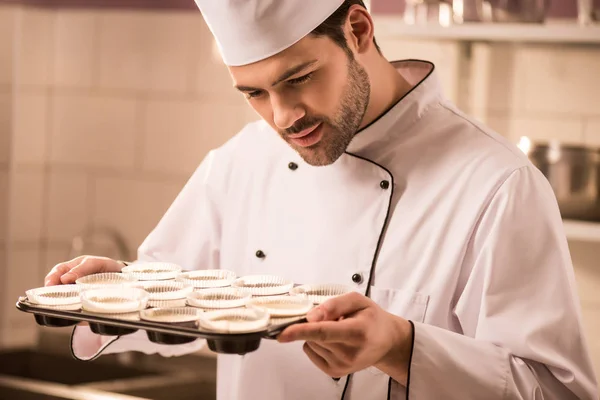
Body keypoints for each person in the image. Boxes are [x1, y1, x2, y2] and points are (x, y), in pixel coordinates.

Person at [44, 0, 599, 399]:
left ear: (357, 28)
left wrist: (403, 347)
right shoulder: (240, 162)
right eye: (255, 94)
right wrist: (116, 291)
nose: (283, 117)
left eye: (300, 78)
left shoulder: (496, 184)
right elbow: (182, 302)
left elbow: (554, 392)